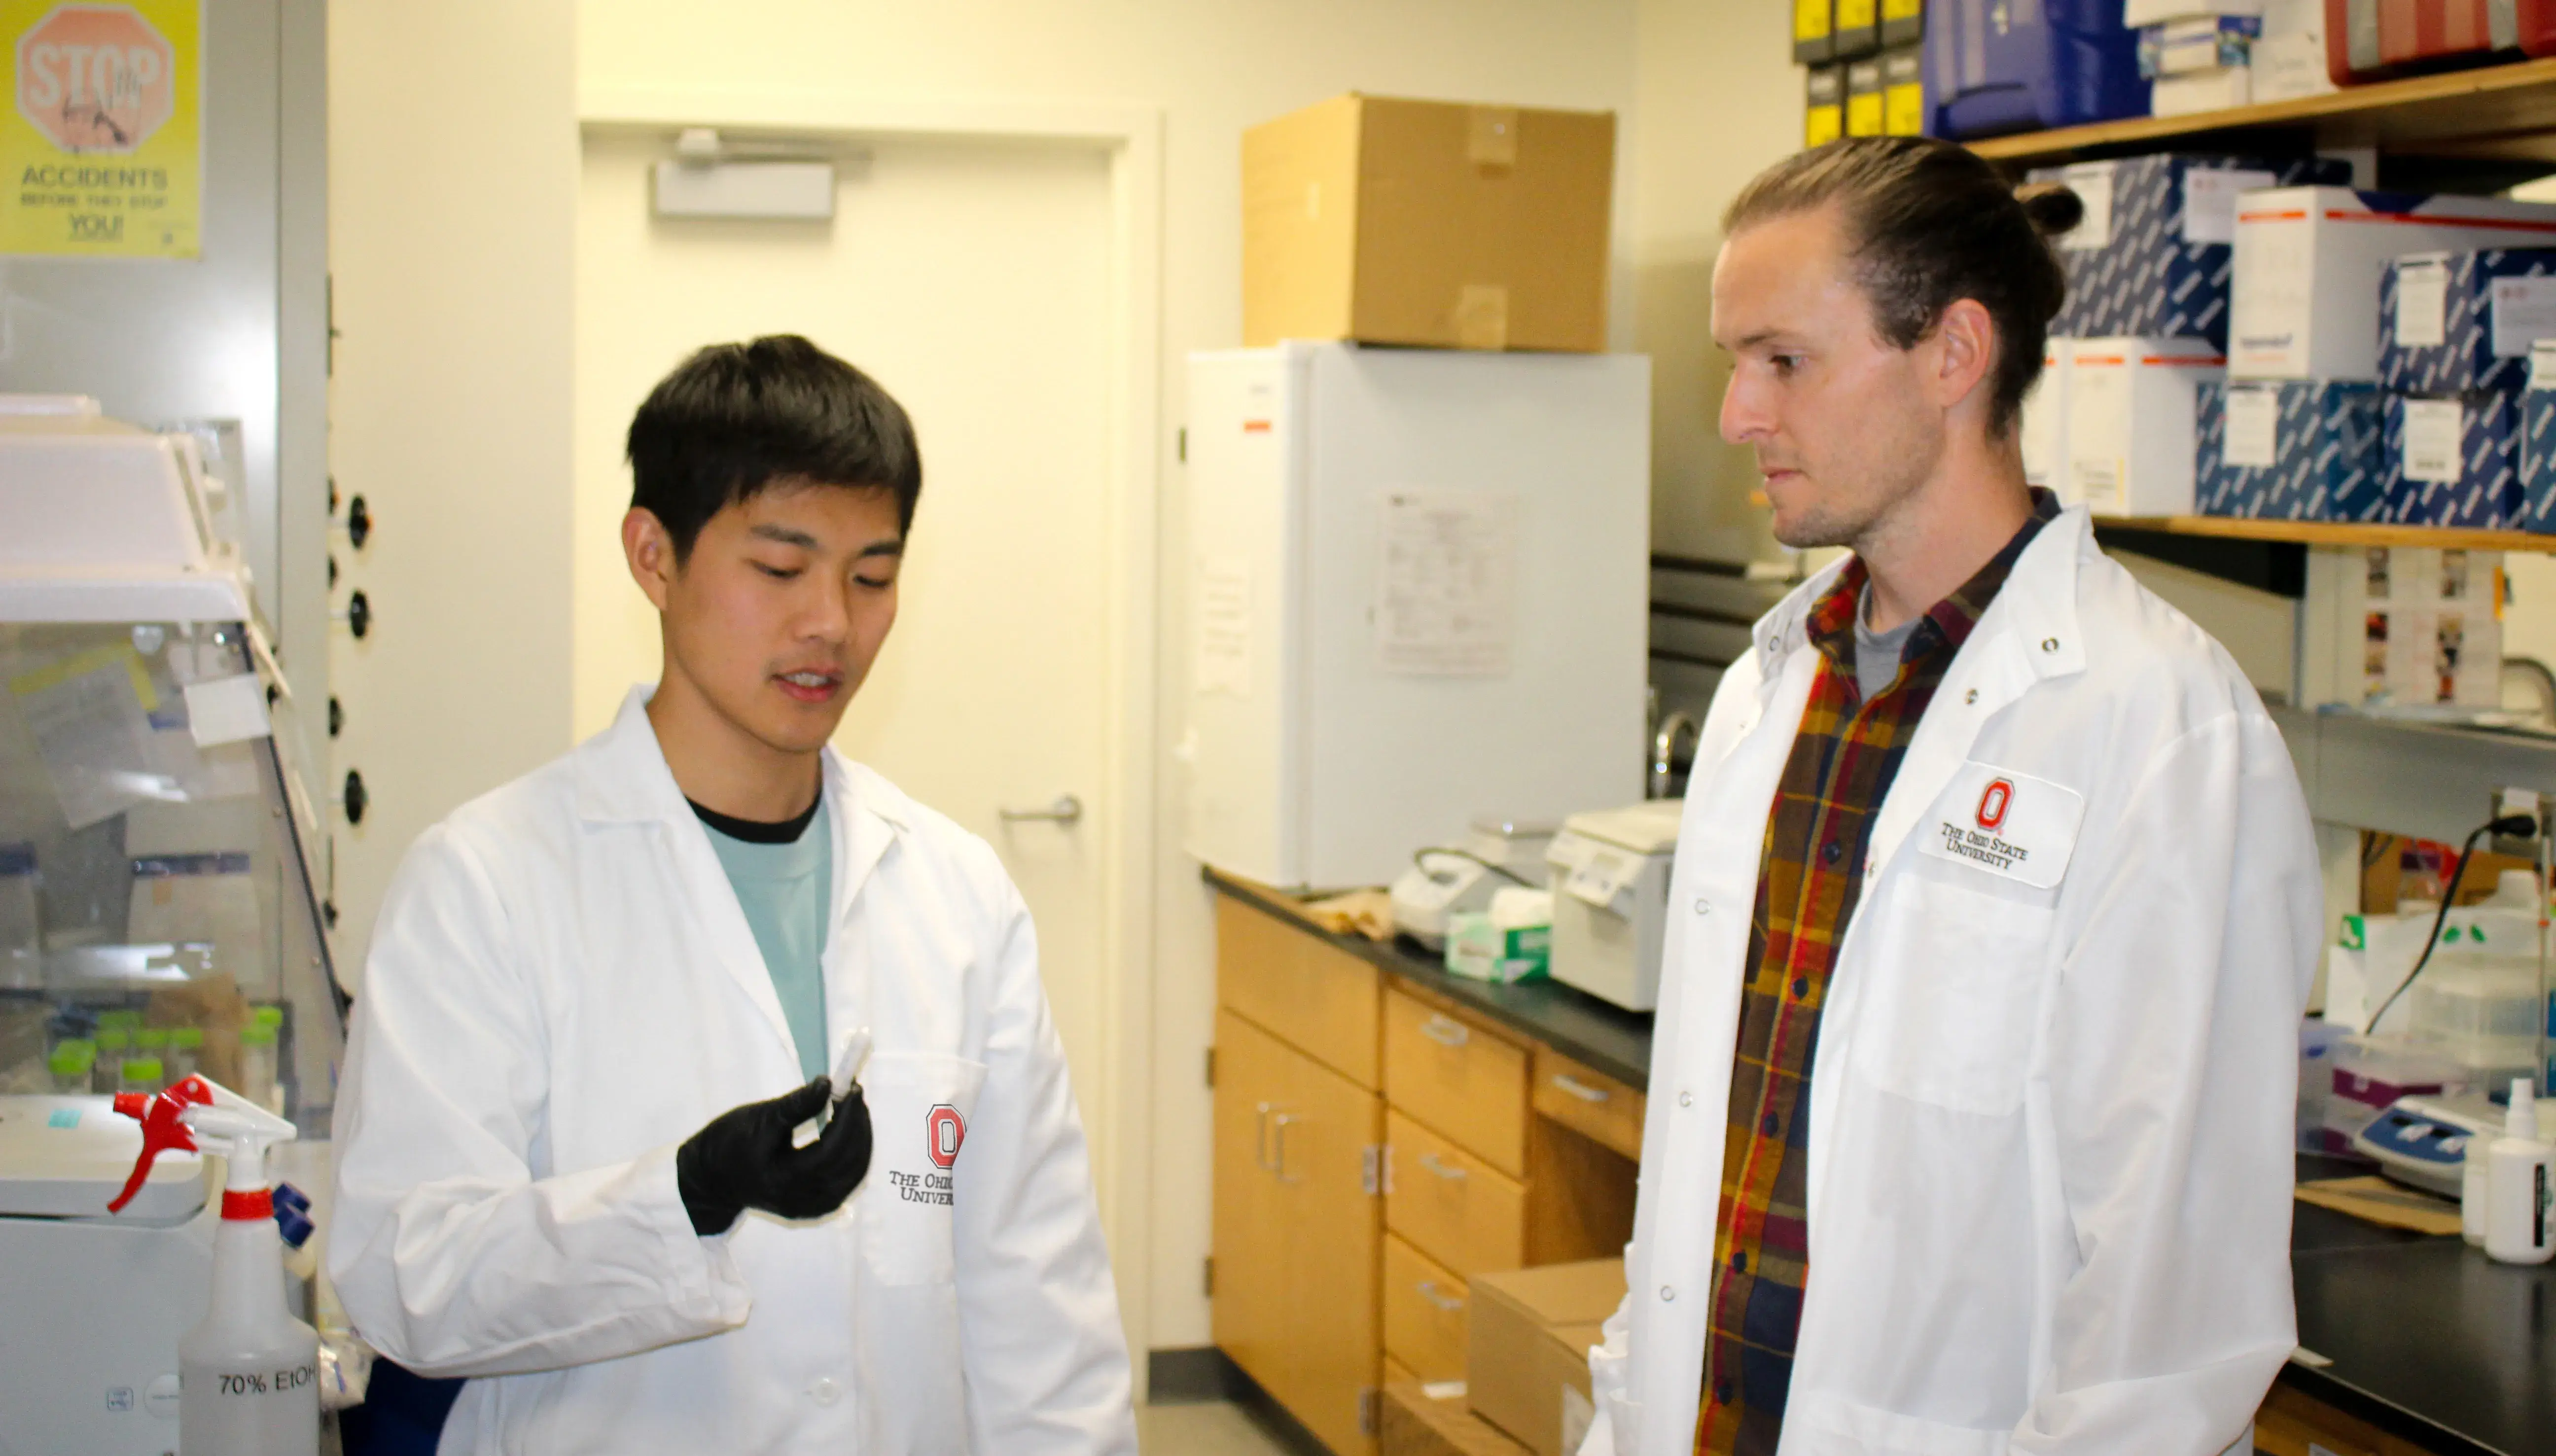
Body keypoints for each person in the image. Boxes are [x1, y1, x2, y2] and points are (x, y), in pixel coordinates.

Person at [1579, 139, 2319, 1456]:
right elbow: (1705, 1152)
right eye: (1733, 362)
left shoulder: (2155, 726)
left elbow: (2168, 1314)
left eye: (1783, 360)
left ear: (1953, 354)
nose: (1738, 414)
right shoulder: (1772, 693)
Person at [328, 335, 1137, 1454]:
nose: (833, 626)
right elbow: (403, 1273)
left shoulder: (956, 898)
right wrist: (681, 1198)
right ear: (653, 557)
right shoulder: (487, 884)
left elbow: (1039, 1309)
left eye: (873, 576)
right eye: (779, 568)